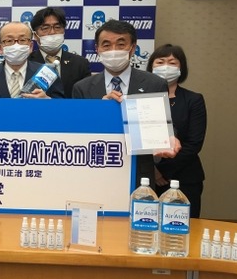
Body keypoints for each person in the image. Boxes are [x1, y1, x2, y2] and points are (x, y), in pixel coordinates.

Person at [72, 19, 177, 186]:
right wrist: (101, 110)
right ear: (97, 49)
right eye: (106, 45)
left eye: (121, 44)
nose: (113, 50)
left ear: (132, 48)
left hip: (138, 173)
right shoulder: (82, 87)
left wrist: (170, 138)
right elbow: (76, 131)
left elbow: (163, 126)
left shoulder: (154, 84)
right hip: (94, 170)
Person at [147, 44, 207, 217]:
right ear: (151, 66)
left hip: (184, 178)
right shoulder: (141, 99)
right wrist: (152, 170)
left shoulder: (193, 100)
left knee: (183, 227)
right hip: (146, 179)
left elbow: (194, 144)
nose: (166, 67)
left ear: (182, 68)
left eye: (172, 63)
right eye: (160, 62)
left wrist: (162, 170)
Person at [0, 21, 64, 99]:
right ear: (0, 48)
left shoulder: (48, 74)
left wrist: (47, 102)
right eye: (9, 41)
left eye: (22, 40)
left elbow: (62, 108)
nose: (16, 45)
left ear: (30, 46)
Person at [28, 7, 91, 98]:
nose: (52, 32)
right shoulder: (27, 61)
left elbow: (86, 98)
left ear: (64, 31)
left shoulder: (80, 64)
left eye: (57, 27)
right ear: (35, 35)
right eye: (45, 28)